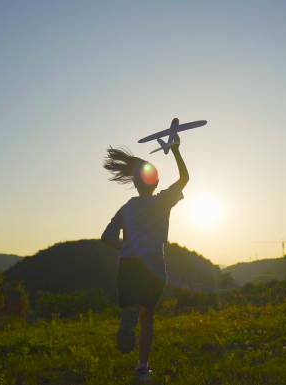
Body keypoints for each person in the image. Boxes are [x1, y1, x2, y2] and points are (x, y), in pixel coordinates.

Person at [101, 130, 188, 383]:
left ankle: (129, 313)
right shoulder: (162, 202)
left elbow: (106, 237)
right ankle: (142, 368)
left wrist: (126, 246)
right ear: (155, 184)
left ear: (135, 183)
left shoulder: (126, 208)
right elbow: (185, 178)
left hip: (128, 264)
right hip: (153, 264)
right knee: (147, 316)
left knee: (132, 307)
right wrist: (176, 149)